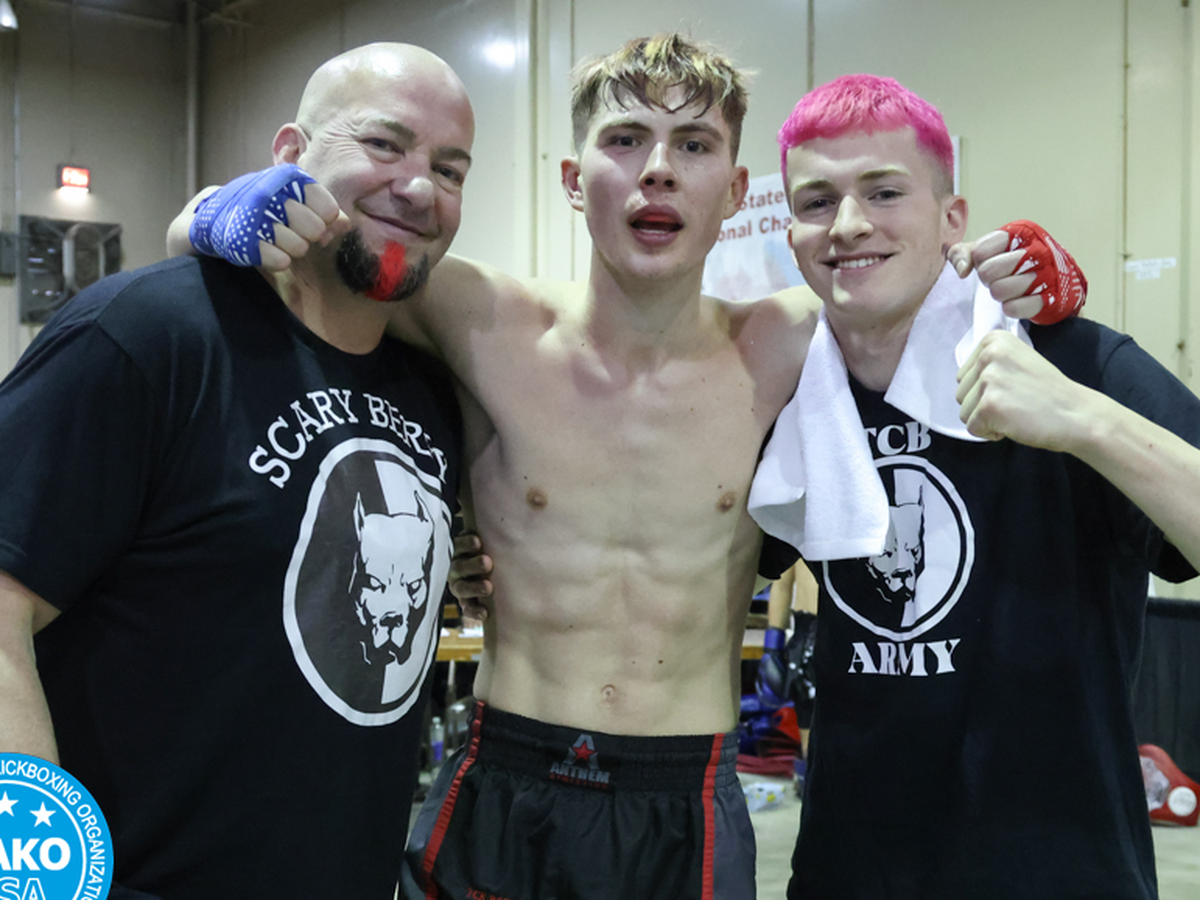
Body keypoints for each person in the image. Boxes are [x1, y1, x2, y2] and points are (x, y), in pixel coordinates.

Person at [172, 36, 1067, 900]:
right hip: (504, 778)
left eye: (695, 145)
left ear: (735, 192)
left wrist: (1040, 277)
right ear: (574, 180)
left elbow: (940, 284)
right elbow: (299, 262)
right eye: (626, 139)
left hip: (685, 796)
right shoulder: (479, 318)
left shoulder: (788, 341)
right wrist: (210, 215)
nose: (659, 171)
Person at [0, 42, 471, 900]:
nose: (417, 187)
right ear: (290, 153)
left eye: (450, 168)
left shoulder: (432, 392)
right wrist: (41, 881)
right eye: (383, 144)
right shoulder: (147, 334)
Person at [747, 73, 1200, 899]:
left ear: (952, 217)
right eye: (817, 201)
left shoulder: (1072, 359)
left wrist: (1084, 418)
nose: (848, 224)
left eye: (884, 191)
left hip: (1065, 876)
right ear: (792, 231)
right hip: (848, 875)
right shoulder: (789, 393)